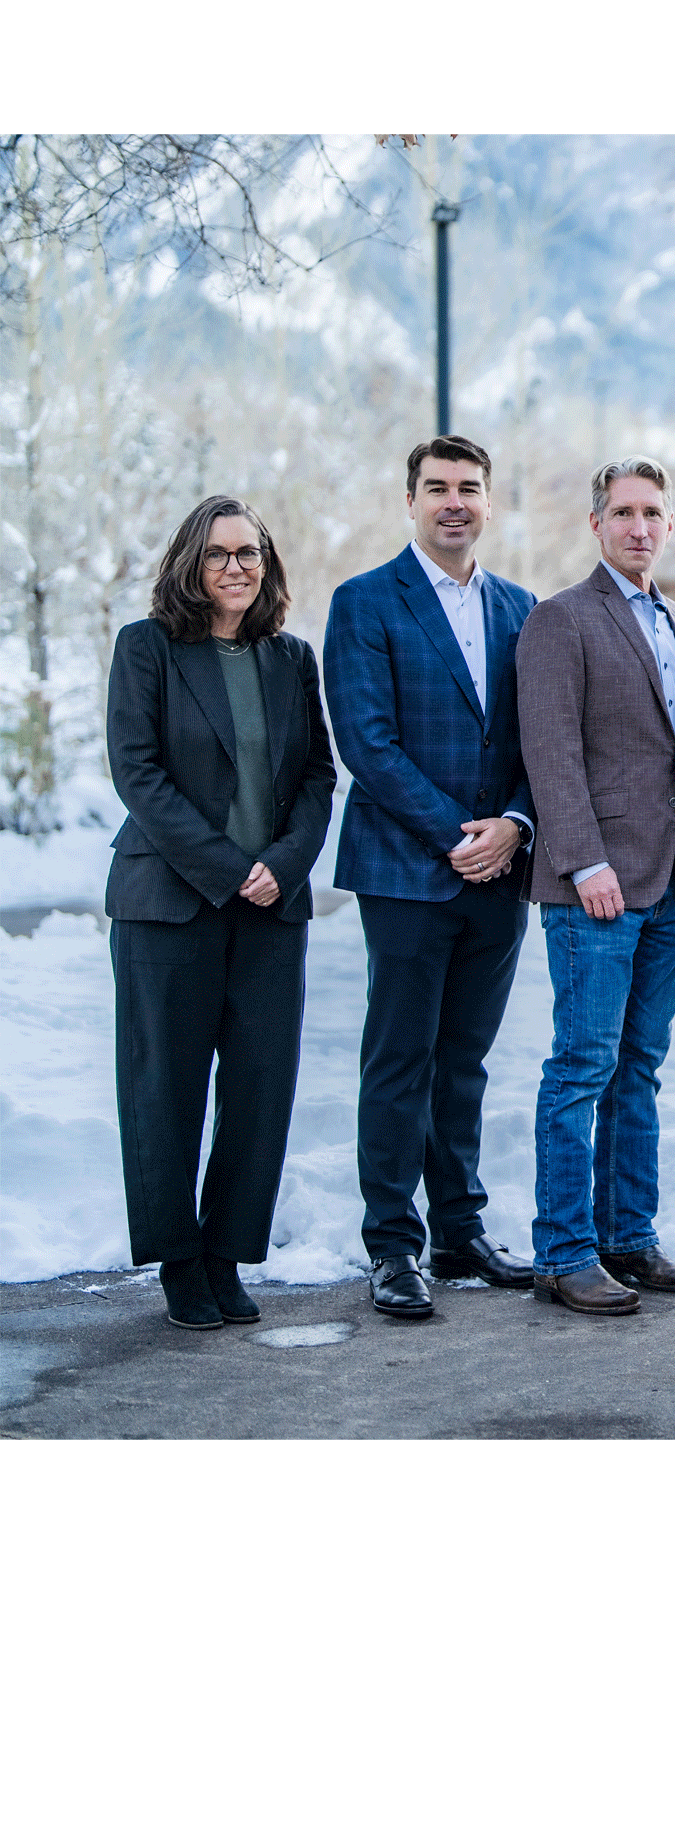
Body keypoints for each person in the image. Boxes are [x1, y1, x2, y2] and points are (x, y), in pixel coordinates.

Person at [105, 497, 336, 1330]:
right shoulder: (147, 648)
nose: (235, 567)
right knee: (164, 1087)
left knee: (259, 1088)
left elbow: (318, 776)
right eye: (217, 553)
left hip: (272, 908)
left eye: (249, 552)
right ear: (189, 564)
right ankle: (178, 1261)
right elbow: (137, 772)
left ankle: (226, 1254)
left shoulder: (291, 657)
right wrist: (230, 869)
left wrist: (282, 865)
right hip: (169, 906)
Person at [323, 436, 539, 1321]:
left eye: (470, 488)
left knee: (465, 1063)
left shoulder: (522, 609)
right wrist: (459, 837)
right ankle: (391, 1245)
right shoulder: (365, 601)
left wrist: (515, 824)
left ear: (488, 502)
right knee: (400, 1059)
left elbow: (542, 740)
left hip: (501, 872)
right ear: (409, 500)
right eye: (438, 487)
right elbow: (367, 744)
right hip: (407, 871)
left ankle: (458, 1228)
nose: (455, 501)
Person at [515, 457, 675, 1316]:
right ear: (596, 524)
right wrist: (584, 862)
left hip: (668, 884)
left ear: (669, 525)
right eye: (623, 513)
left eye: (652, 513)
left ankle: (629, 1237)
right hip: (594, 887)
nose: (639, 527)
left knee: (640, 1069)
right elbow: (549, 749)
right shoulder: (560, 619)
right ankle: (563, 1252)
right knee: (581, 1067)